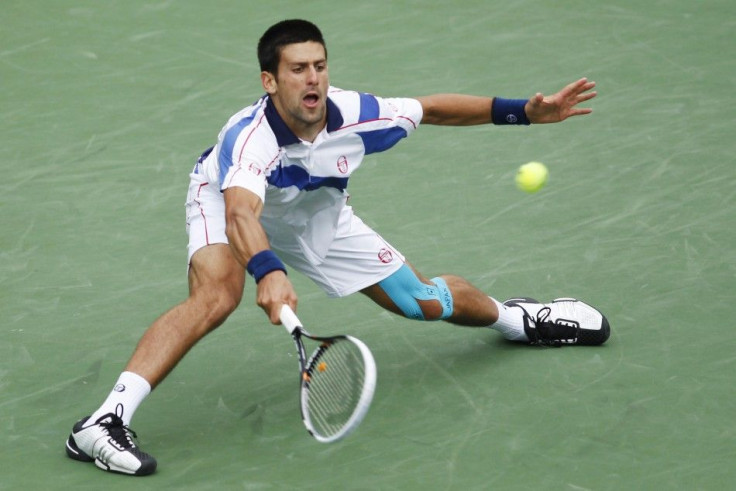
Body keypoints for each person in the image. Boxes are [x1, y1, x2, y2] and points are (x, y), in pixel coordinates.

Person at [64, 19, 610, 476]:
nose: (313, 79)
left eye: (320, 66)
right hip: (229, 203)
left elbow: (433, 108)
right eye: (298, 69)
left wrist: (523, 112)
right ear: (270, 80)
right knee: (217, 296)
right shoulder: (250, 138)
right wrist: (266, 270)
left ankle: (518, 320)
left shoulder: (357, 114)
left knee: (421, 301)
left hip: (316, 213)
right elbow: (238, 214)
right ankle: (103, 422)